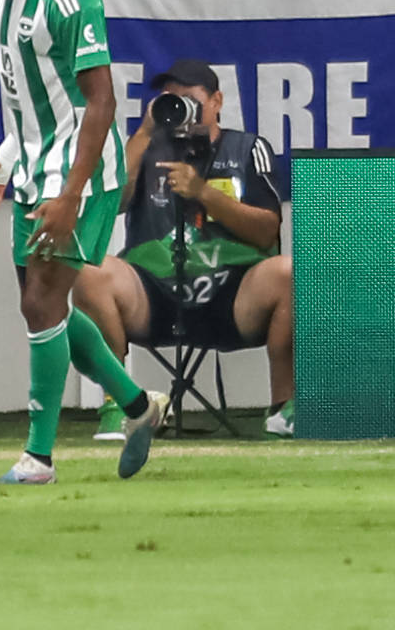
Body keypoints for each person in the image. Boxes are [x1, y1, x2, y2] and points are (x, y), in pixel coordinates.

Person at [0, 0, 164, 486]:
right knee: (41, 304)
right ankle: (137, 405)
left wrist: (70, 193)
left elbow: (100, 102)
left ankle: (39, 456)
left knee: (42, 301)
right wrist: (1, 158)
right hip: (34, 165)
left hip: (78, 170)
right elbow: (29, 101)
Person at [72, 62, 296, 431]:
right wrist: (145, 132)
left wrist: (204, 194)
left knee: (289, 272)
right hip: (154, 292)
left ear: (217, 101)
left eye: (191, 100)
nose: (183, 111)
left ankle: (282, 409)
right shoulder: (148, 147)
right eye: (172, 100)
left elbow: (267, 230)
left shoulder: (248, 148)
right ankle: (122, 405)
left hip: (233, 294)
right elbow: (114, 203)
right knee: (87, 272)